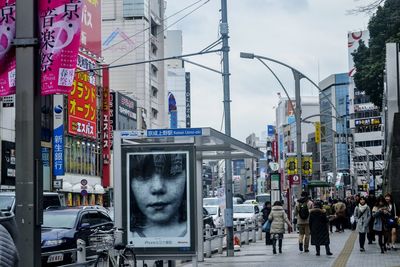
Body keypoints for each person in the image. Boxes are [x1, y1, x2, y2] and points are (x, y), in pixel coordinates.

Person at [129, 153, 187, 237]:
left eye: (171, 173)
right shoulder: (126, 236)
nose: (158, 187)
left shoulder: (198, 234)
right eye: (143, 175)